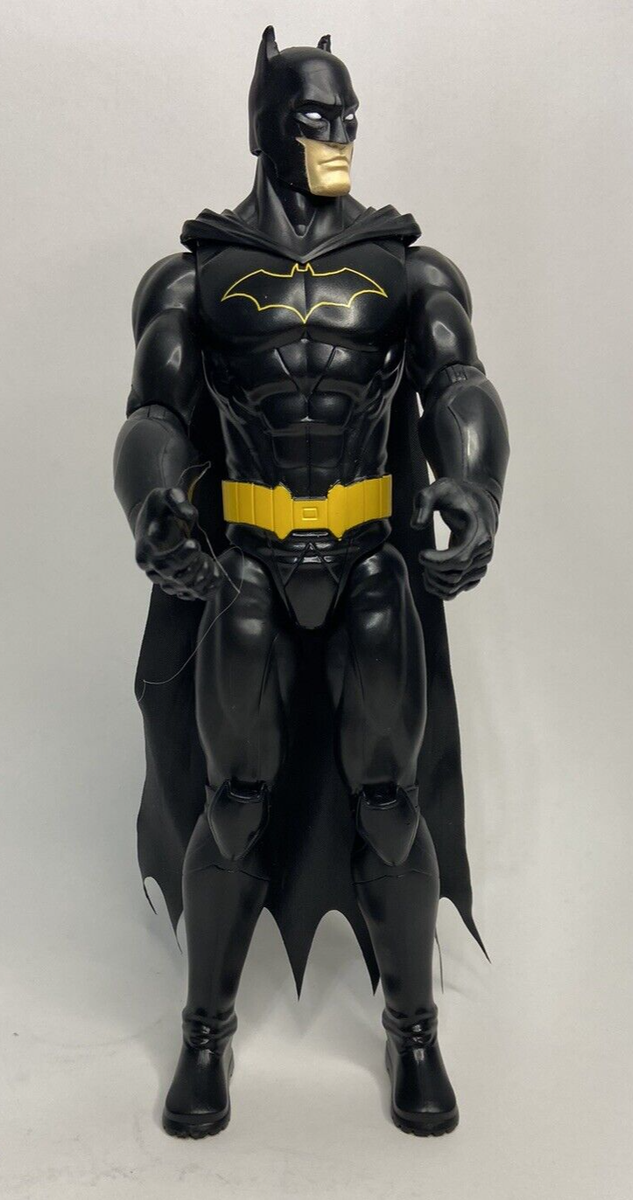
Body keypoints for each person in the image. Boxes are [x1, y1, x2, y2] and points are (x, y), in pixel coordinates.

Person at [114, 27, 509, 1138]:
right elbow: (152, 414)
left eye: (346, 117)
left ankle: (412, 1029)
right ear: (265, 126)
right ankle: (205, 1032)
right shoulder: (193, 275)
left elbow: (459, 384)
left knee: (391, 801)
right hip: (243, 565)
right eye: (312, 117)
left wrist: (475, 487)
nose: (335, 135)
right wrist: (151, 504)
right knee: (231, 801)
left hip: (371, 566)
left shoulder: (407, 267)